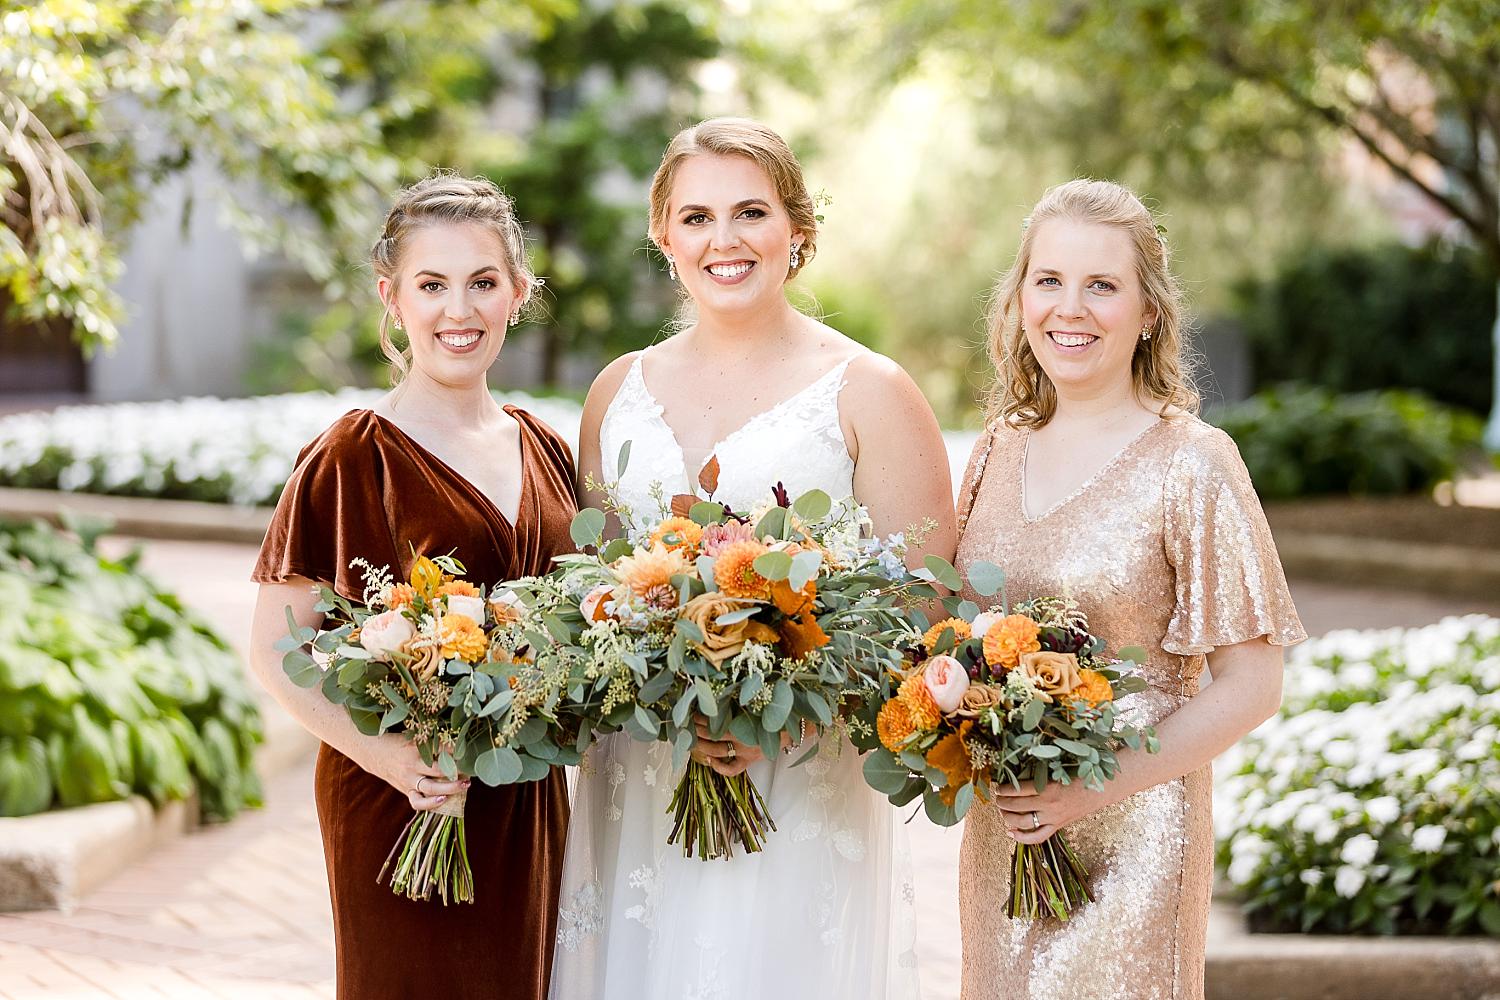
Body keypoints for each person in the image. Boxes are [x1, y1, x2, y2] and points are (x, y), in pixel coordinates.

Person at [549, 118, 956, 999]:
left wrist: (787, 711)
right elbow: (591, 593)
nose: (722, 241)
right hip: (646, 774)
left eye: (750, 212)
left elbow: (925, 609)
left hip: (795, 784)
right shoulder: (615, 392)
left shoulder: (870, 391)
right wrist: (657, 686)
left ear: (797, 229)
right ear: (663, 235)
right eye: (694, 217)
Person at [953, 178, 1306, 999]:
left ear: (1149, 312)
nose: (1068, 309)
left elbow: (1255, 683)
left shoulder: (1194, 462)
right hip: (1005, 829)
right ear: (1019, 296)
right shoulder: (996, 450)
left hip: (1136, 828)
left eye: (1101, 286)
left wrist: (1089, 786)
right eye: (1049, 281)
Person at [248, 173, 576, 1000]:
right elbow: (274, 649)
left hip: (523, 796)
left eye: (481, 283)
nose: (456, 311)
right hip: (403, 800)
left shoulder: (545, 447)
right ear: (392, 298)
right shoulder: (352, 455)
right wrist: (394, 759)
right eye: (432, 285)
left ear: (518, 294)